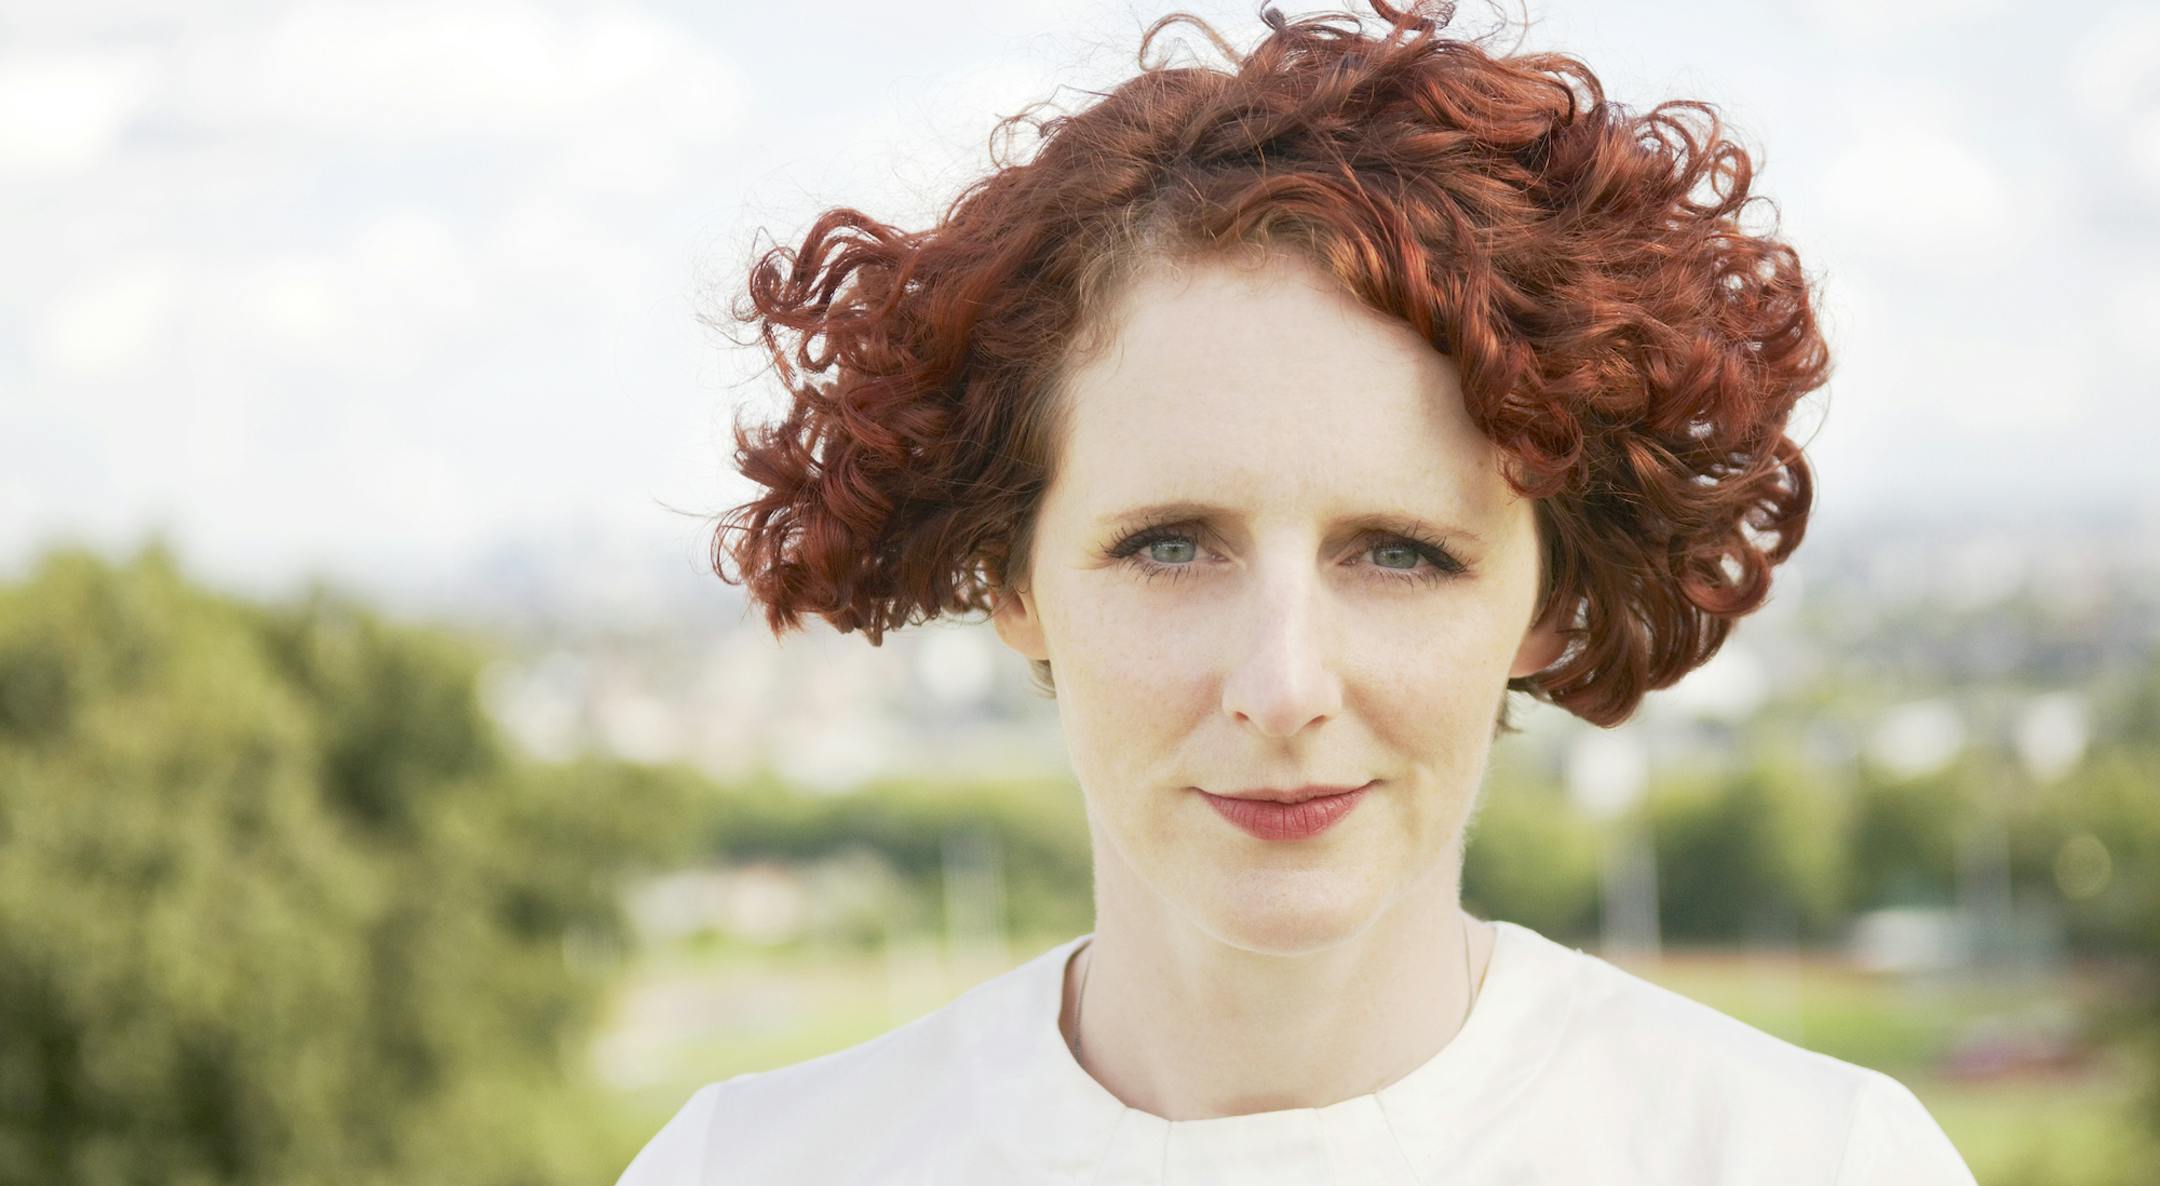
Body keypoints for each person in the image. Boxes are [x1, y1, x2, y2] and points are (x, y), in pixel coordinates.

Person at [618, 1, 1978, 1181]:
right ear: (1008, 568)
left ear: (1553, 591)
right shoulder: (742, 1169)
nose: (1284, 686)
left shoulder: (1812, 1163)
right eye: (1169, 544)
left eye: (1400, 551)